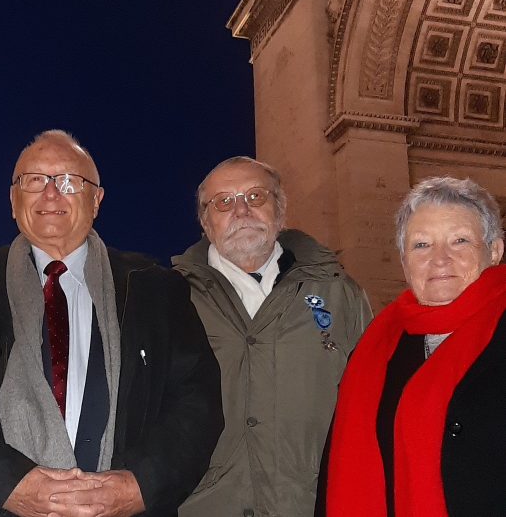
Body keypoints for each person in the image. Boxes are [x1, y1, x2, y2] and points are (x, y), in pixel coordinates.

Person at [0, 129, 223, 517]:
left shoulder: (155, 289)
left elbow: (199, 402)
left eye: (70, 181)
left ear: (97, 200)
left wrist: (139, 484)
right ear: (13, 200)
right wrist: (6, 485)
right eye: (34, 180)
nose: (51, 194)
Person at [172, 157, 371, 517]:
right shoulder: (169, 299)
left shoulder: (342, 295)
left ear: (280, 210)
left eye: (256, 196)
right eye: (224, 201)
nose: (242, 210)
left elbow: (373, 409)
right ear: (205, 221)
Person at [320, 176, 506, 517]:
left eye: (459, 240)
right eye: (421, 245)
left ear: (494, 250)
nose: (440, 259)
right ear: (404, 260)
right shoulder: (379, 345)